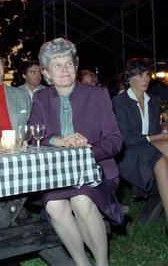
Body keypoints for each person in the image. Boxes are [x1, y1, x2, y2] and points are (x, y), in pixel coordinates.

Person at [28, 38, 123, 266]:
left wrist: (86, 149)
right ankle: (82, 263)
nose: (64, 69)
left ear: (76, 66)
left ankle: (102, 263)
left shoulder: (98, 95)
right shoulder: (41, 98)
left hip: (96, 170)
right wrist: (57, 140)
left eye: (68, 63)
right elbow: (31, 134)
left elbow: (115, 141)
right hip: (59, 175)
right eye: (57, 65)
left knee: (82, 199)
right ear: (47, 73)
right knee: (53, 205)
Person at [113, 58, 168, 229]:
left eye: (146, 74)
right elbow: (127, 139)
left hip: (148, 148)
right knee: (162, 154)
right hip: (129, 153)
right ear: (129, 78)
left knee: (164, 155)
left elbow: (155, 130)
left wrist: (159, 135)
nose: (145, 79)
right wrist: (157, 137)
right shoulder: (119, 102)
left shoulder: (154, 101)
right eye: (139, 75)